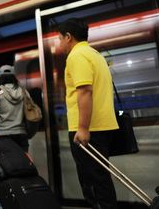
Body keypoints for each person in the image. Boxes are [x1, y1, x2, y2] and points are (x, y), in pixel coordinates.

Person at [59, 18, 118, 209]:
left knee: (92, 184)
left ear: (68, 37)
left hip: (87, 129)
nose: (59, 43)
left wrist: (83, 128)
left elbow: (84, 91)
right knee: (101, 181)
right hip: (101, 125)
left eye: (60, 38)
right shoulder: (95, 54)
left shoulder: (77, 56)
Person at [0, 65, 29, 152]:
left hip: (3, 134)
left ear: (0, 77)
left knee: (7, 164)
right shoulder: (23, 91)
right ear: (14, 77)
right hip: (21, 133)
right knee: (24, 162)